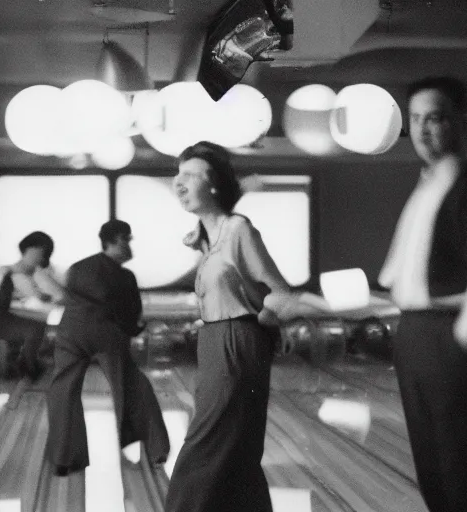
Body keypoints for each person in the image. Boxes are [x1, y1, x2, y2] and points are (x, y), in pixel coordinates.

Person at [378, 76, 467, 512]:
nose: (421, 130)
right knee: (436, 473)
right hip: (418, 337)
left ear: (462, 122)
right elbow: (404, 282)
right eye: (415, 119)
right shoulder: (425, 187)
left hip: (451, 342)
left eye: (434, 118)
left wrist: (463, 345)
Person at [165, 141, 297, 512]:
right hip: (214, 341)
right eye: (178, 175)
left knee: (204, 446)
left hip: (237, 340)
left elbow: (278, 291)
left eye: (190, 175)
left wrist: (263, 325)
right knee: (238, 448)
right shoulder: (205, 238)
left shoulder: (238, 229)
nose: (179, 183)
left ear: (216, 185)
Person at [46, 219, 170, 477]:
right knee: (134, 385)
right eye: (128, 238)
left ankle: (63, 460)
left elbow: (69, 296)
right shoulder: (124, 276)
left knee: (62, 391)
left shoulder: (78, 267)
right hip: (105, 334)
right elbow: (130, 315)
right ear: (115, 240)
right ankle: (156, 449)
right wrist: (137, 328)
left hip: (70, 332)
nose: (131, 244)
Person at [0, 231, 62, 380]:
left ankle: (26, 364)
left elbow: (37, 296)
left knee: (37, 326)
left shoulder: (13, 273)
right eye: (39, 253)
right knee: (34, 329)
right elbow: (37, 296)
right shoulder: (11, 274)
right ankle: (27, 367)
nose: (39, 258)